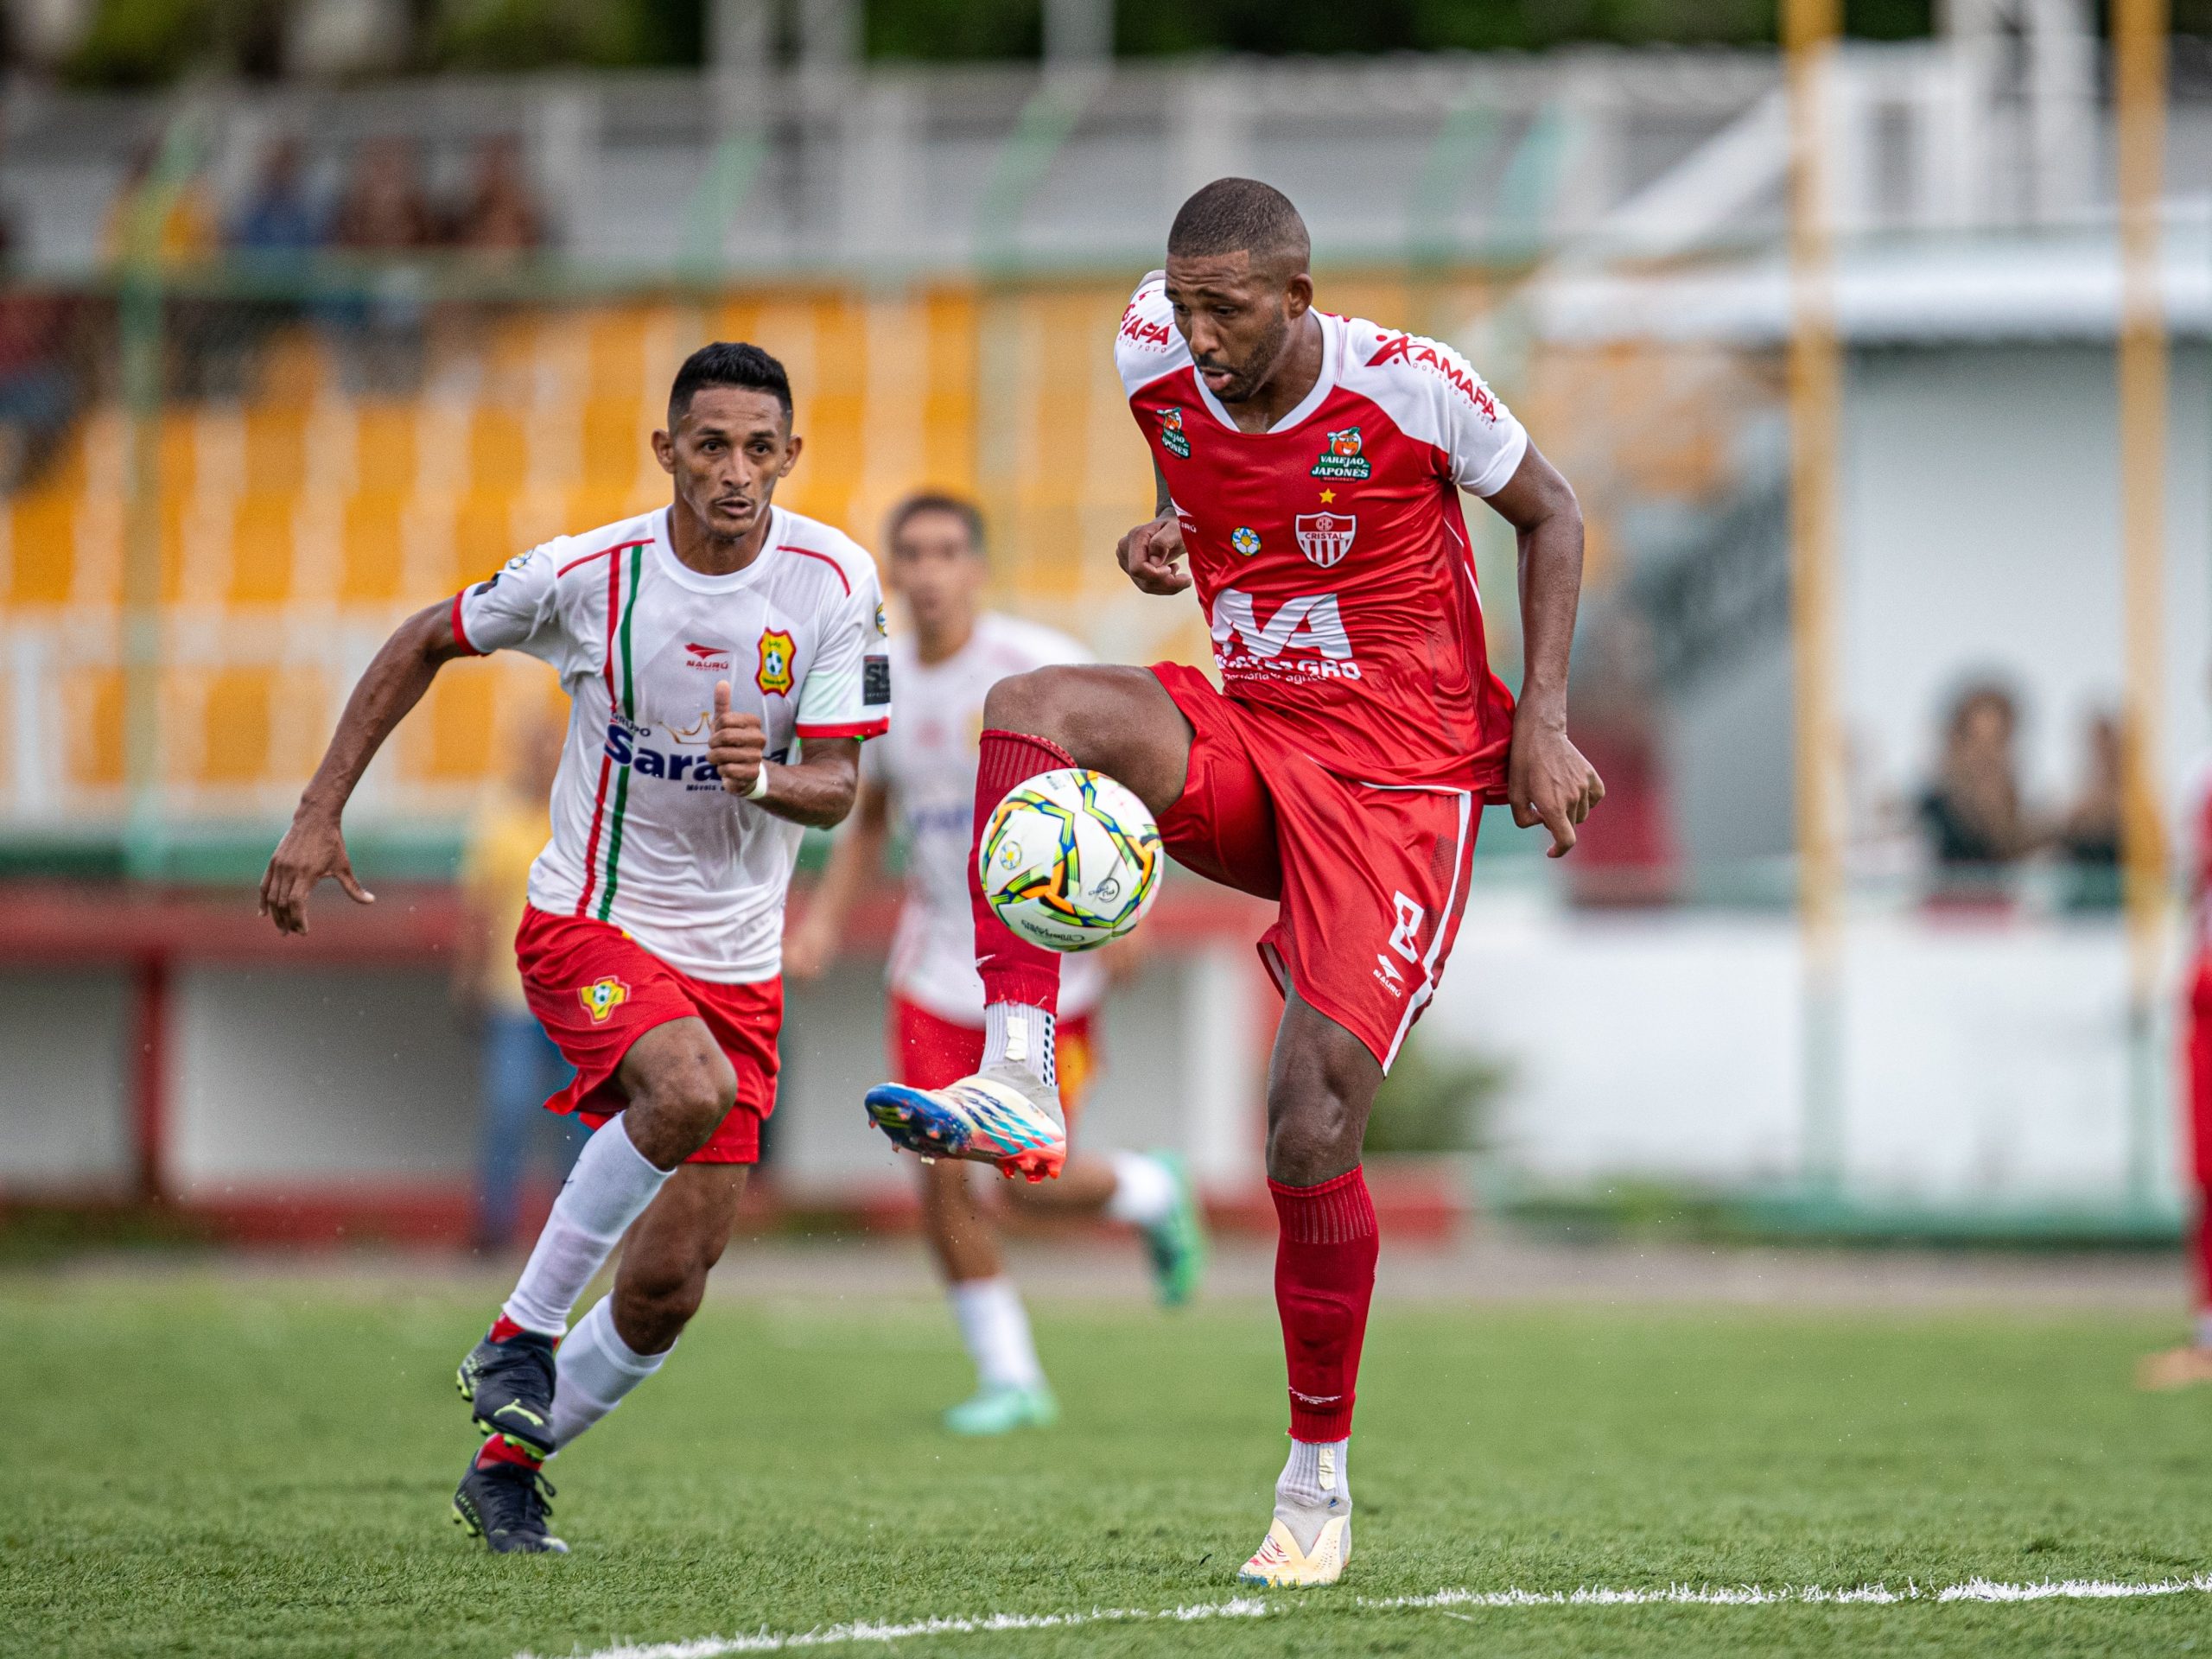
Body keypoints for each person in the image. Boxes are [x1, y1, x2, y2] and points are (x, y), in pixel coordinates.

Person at [860, 179, 1601, 1587]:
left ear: (1299, 301)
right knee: (1030, 704)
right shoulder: (1151, 349)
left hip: (1400, 788)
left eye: (1227, 309)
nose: (1195, 334)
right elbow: (1185, 448)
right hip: (1255, 737)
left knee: (1307, 1129)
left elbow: (1553, 516)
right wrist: (1168, 527)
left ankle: (1315, 1478)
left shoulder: (1415, 387)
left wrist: (1545, 722)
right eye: (1182, 303)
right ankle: (1018, 1066)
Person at [259, 340, 889, 1553]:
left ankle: (505, 1468)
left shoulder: (834, 582)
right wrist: (319, 806)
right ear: (667, 451)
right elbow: (422, 640)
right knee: (686, 1088)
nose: (737, 472)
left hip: (738, 960)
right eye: (711, 444)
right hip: (588, 917)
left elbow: (842, 789)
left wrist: (767, 780)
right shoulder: (587, 574)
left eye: (761, 448)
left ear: (792, 457)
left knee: (668, 1289)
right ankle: (518, 1333)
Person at [785, 491, 1206, 1435]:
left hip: (1058, 972)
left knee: (1020, 1183)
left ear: (975, 567)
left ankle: (1150, 1190)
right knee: (942, 1176)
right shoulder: (881, 681)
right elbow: (873, 820)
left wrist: (1132, 905)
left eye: (946, 553)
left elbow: (1132, 783)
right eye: (913, 556)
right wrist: (820, 923)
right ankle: (1010, 1377)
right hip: (935, 968)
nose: (930, 573)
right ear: (895, 574)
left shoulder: (1032, 664)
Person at [457, 709, 583, 1249]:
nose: (540, 757)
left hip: (575, 996)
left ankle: (575, 1232)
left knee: (579, 1122)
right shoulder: (497, 818)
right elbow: (480, 907)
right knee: (508, 1110)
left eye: (547, 746)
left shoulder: (576, 816)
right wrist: (468, 976)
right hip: (513, 992)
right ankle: (494, 1226)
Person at [1916, 681, 2031, 903]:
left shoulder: (2017, 812)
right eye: (1977, 741)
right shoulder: (1931, 807)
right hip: (1945, 921)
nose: (1986, 755)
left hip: (2000, 922)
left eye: (1996, 742)